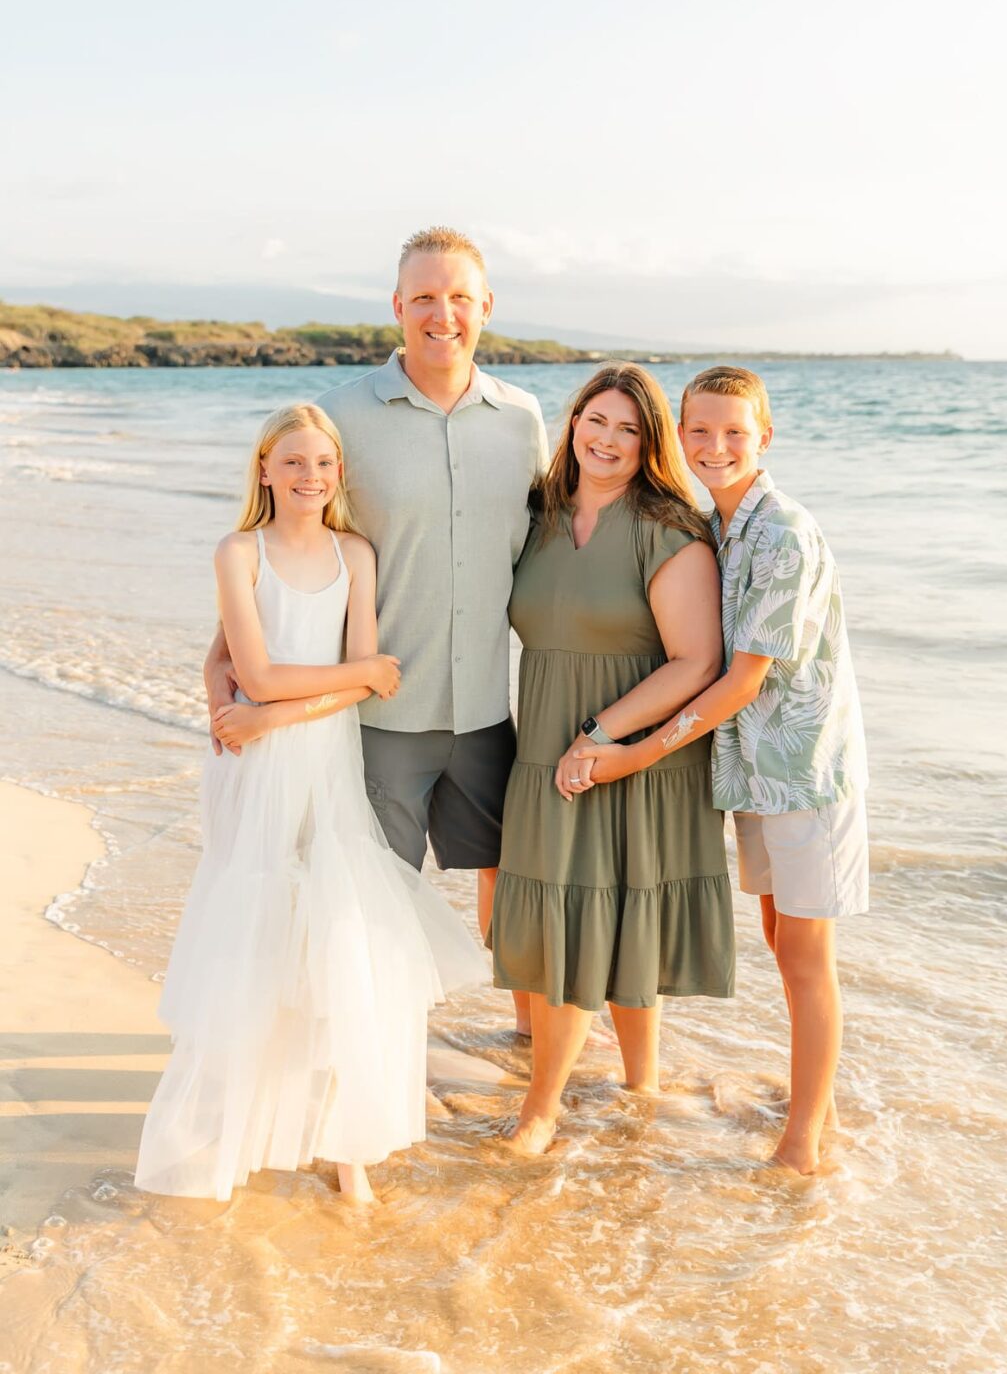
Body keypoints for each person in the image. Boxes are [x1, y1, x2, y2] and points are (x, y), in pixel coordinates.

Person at [136, 403, 485, 1205]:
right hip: (253, 774)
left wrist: (282, 708)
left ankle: (343, 1143)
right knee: (255, 935)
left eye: (324, 463)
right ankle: (226, 1130)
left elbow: (352, 671)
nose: (310, 477)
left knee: (334, 936)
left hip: (324, 763)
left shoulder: (354, 554)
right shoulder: (238, 553)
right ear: (263, 470)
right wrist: (281, 702)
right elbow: (272, 674)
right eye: (292, 462)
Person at [205, 228, 548, 1038]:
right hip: (375, 718)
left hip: (488, 714)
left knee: (519, 887)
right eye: (424, 297)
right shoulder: (344, 417)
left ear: (486, 308)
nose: (443, 313)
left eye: (459, 296)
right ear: (398, 307)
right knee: (366, 901)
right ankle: (366, 1062)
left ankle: (524, 1055)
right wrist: (220, 657)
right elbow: (281, 542)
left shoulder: (523, 420)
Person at [579, 366, 869, 1175]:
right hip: (756, 772)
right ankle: (820, 1105)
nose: (715, 446)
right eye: (698, 431)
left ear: (764, 437)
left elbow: (744, 678)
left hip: (807, 775)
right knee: (785, 945)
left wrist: (635, 754)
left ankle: (804, 1142)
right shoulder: (722, 525)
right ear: (679, 434)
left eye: (734, 432)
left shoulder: (782, 532)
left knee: (809, 957)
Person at [490, 363, 735, 1155]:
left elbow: (695, 662)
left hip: (626, 748)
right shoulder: (539, 515)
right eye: (596, 420)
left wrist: (601, 736)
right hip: (545, 745)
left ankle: (545, 1111)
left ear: (649, 443)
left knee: (597, 915)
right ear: (573, 424)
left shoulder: (669, 529)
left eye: (628, 429)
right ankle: (639, 1090)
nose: (607, 439)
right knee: (593, 913)